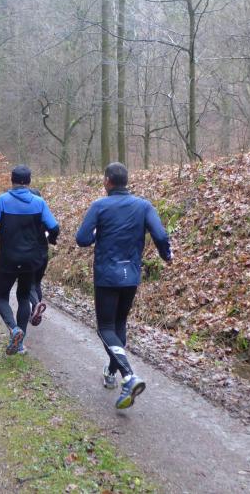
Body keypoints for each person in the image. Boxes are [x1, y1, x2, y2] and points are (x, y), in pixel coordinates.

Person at [75, 162, 171, 409]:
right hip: (131, 275)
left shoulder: (100, 206)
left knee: (105, 328)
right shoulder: (144, 206)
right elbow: (161, 235)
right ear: (126, 181)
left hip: (107, 275)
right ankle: (111, 372)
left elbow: (82, 239)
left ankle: (128, 376)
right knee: (119, 325)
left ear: (107, 181)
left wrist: (98, 235)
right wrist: (166, 255)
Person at [0, 165, 59, 355]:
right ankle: (20, 343)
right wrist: (52, 239)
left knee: (2, 298)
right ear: (29, 181)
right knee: (24, 297)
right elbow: (54, 227)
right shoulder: (39, 202)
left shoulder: (2, 200)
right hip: (30, 260)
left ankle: (13, 328)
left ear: (12, 180)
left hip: (8, 259)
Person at [28, 188, 48, 326]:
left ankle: (36, 305)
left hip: (29, 254)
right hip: (43, 254)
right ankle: (35, 312)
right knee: (37, 283)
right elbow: (53, 230)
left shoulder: (25, 215)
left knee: (28, 285)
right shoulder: (45, 215)